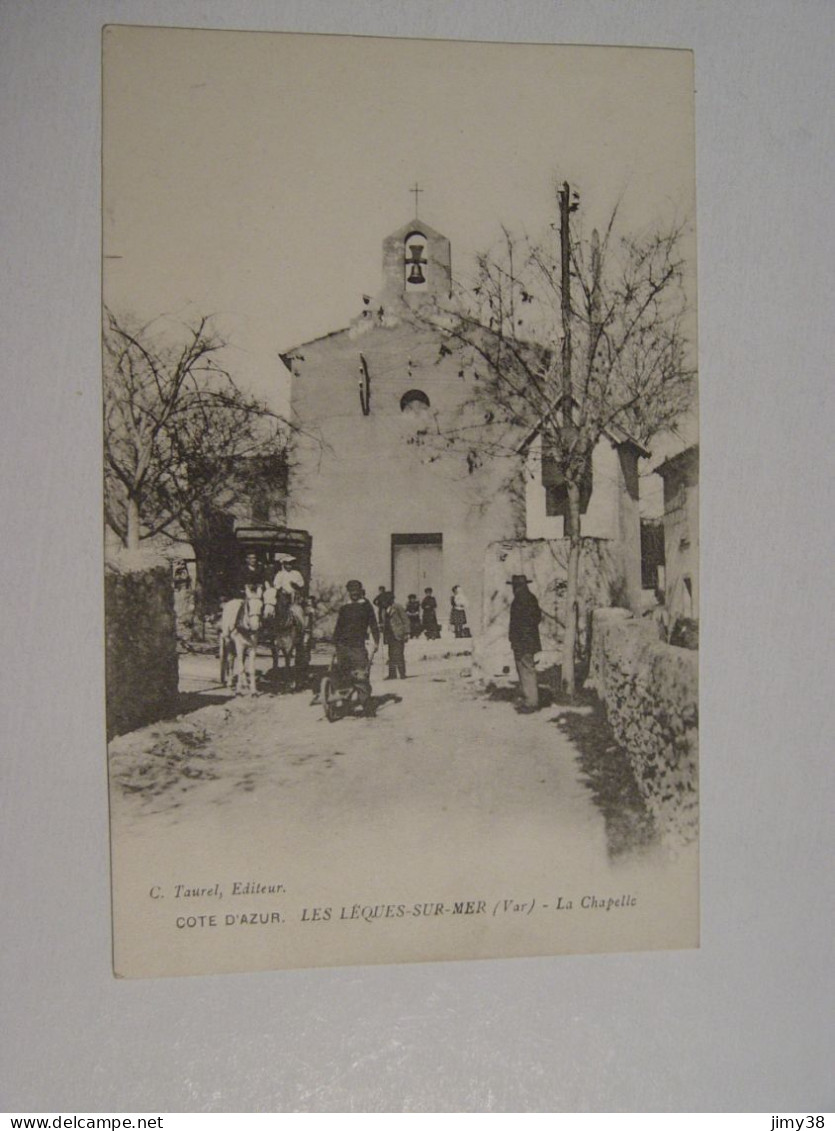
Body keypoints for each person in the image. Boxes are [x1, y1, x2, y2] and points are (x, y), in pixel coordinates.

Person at [332, 579, 380, 688]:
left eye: (356, 590)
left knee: (361, 673)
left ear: (360, 591)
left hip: (358, 644)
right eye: (351, 591)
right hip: (343, 644)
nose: (354, 593)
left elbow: (373, 624)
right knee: (343, 671)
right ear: (348, 592)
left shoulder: (366, 606)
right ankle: (345, 697)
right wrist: (335, 639)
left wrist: (376, 641)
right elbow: (339, 625)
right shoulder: (345, 607)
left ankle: (365, 700)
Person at [508, 574, 542, 713]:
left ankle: (531, 702)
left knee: (526, 670)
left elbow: (517, 623)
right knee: (526, 669)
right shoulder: (532, 598)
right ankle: (528, 698)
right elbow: (537, 617)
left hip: (522, 641)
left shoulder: (519, 600)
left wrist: (516, 638)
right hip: (529, 640)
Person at [380, 591, 410, 679]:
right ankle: (392, 674)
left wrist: (406, 633)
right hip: (389, 635)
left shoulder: (398, 607)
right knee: (391, 654)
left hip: (398, 633)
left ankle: (402, 673)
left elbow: (405, 620)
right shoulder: (384, 609)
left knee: (399, 653)